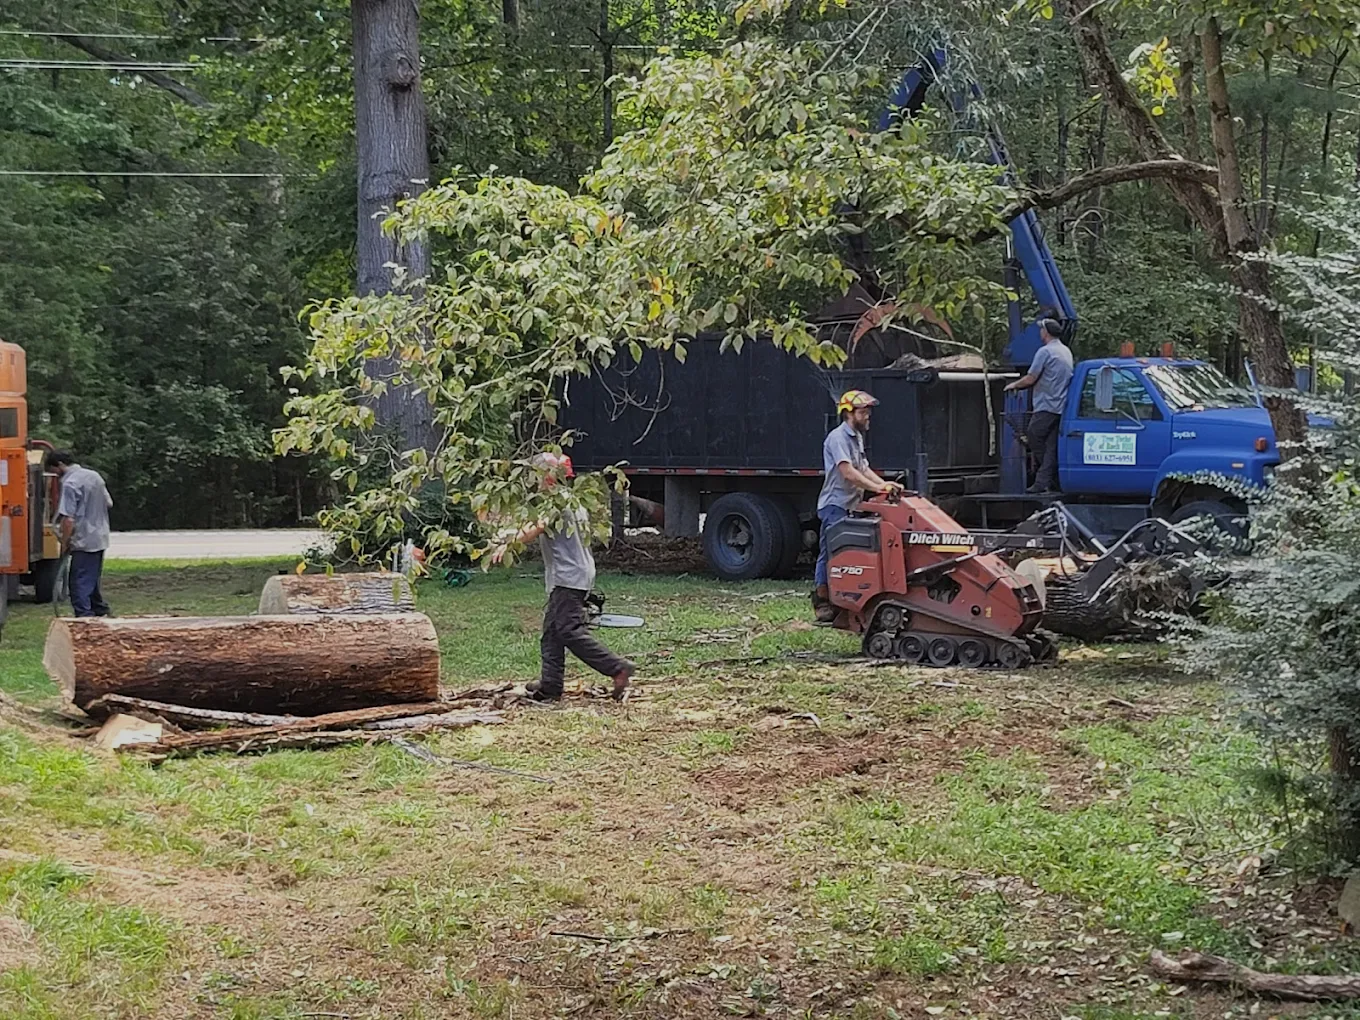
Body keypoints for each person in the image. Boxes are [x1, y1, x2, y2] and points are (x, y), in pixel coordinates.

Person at [491, 452, 634, 703]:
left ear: (546, 476)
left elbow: (536, 527)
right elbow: (532, 524)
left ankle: (617, 668)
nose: (532, 481)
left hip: (568, 576)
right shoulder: (570, 498)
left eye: (535, 476)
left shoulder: (555, 503)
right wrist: (504, 536)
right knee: (552, 633)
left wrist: (509, 544)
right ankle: (550, 685)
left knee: (569, 630)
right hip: (575, 572)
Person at [811, 390, 903, 623]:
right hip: (835, 504)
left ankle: (843, 599)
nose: (868, 415)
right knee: (830, 553)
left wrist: (884, 485)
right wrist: (878, 487)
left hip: (850, 504)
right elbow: (848, 472)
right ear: (849, 413)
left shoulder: (857, 437)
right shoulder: (837, 438)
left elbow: (863, 468)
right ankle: (822, 601)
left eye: (868, 411)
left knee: (847, 554)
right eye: (863, 411)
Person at [1004, 318, 1073, 494]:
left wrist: (1013, 385)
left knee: (1034, 436)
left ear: (1046, 332)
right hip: (1060, 406)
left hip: (1046, 405)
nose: (1040, 332)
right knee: (1051, 446)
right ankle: (1044, 482)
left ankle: (1049, 475)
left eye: (1041, 329)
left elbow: (1031, 378)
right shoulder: (1066, 351)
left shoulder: (1045, 352)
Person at [48, 450, 113, 618]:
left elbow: (68, 519)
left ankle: (84, 616)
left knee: (78, 581)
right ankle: (100, 610)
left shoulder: (70, 483)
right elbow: (109, 503)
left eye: (53, 469)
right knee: (91, 577)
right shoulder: (94, 476)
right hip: (100, 536)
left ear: (60, 465)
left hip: (83, 539)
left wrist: (64, 542)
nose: (54, 474)